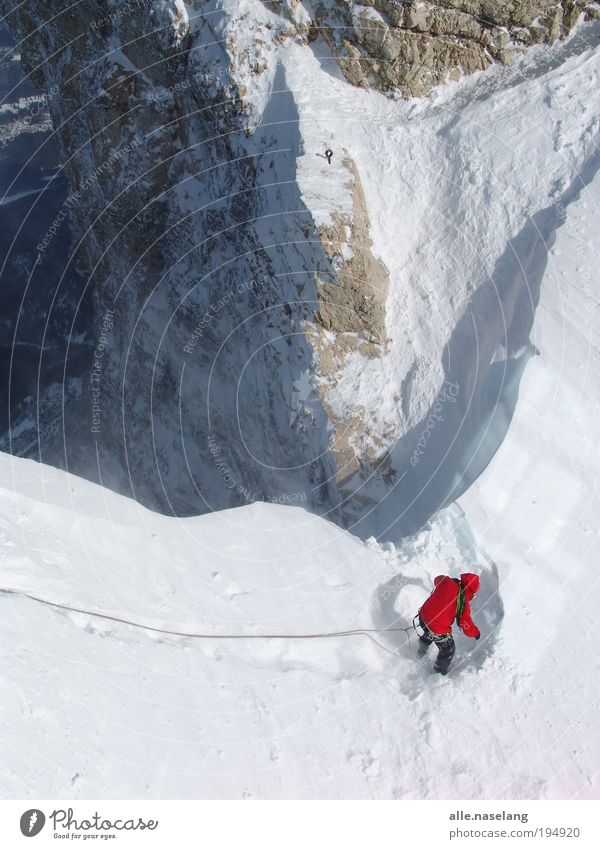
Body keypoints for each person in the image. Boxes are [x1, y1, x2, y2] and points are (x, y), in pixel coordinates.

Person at [417, 573, 481, 675]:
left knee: (429, 632)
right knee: (448, 649)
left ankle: (421, 652)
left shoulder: (446, 581)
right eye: (474, 594)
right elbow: (466, 625)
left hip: (423, 618)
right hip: (436, 629)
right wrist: (476, 633)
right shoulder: (464, 604)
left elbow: (437, 579)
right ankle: (438, 672)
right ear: (472, 592)